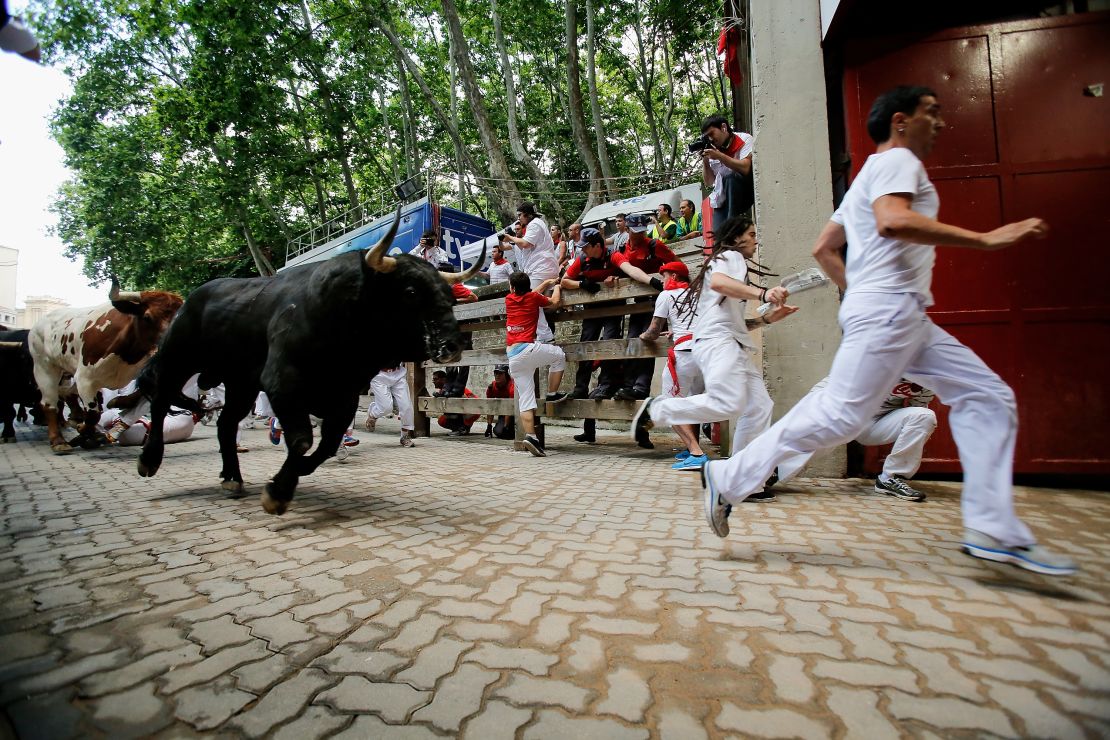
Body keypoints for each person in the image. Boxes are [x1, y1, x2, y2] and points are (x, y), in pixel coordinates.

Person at [697, 85, 1075, 577]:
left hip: (899, 313)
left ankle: (991, 530)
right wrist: (984, 240)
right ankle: (727, 477)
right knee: (839, 417)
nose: (939, 123)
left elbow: (824, 247)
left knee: (987, 397)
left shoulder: (866, 176)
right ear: (901, 120)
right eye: (931, 113)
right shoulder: (899, 162)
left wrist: (856, 291)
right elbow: (893, 221)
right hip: (891, 310)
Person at [631, 216, 796, 479]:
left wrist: (766, 318)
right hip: (718, 343)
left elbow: (729, 315)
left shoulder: (732, 263)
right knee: (727, 403)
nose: (756, 240)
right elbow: (720, 283)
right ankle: (659, 409)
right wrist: (763, 294)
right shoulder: (731, 256)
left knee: (759, 406)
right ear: (735, 238)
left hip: (730, 343)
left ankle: (741, 476)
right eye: (751, 235)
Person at [775, 378, 937, 501]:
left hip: (876, 424)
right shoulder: (876, 356)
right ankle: (770, 471)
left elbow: (916, 408)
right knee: (822, 438)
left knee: (924, 416)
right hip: (845, 413)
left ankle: (891, 479)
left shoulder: (928, 376)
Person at [637, 260, 707, 469]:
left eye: (665, 275)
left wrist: (642, 336)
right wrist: (676, 330)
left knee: (668, 405)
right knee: (692, 405)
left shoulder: (666, 295)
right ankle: (693, 448)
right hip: (705, 354)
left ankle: (696, 452)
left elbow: (654, 331)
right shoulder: (699, 294)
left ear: (674, 277)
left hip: (684, 355)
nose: (663, 280)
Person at [610, 213, 679, 402]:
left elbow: (677, 265)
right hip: (638, 303)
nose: (639, 235)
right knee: (633, 340)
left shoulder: (655, 245)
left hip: (657, 302)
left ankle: (640, 388)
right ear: (628, 229)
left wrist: (665, 277)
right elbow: (623, 270)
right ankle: (628, 385)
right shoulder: (622, 250)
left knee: (648, 341)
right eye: (635, 231)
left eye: (643, 231)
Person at [505, 271, 568, 456]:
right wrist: (557, 285)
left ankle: (531, 436)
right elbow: (555, 302)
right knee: (559, 356)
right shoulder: (533, 298)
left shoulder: (508, 299)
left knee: (526, 398)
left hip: (512, 357)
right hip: (527, 349)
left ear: (512, 288)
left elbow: (531, 293)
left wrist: (547, 281)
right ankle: (552, 394)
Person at [502, 202, 560, 343]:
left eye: (520, 215)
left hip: (540, 268)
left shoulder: (534, 224)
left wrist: (510, 238)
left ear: (528, 214)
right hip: (542, 268)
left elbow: (526, 243)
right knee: (534, 301)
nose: (519, 219)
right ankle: (543, 335)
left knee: (529, 300)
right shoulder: (536, 224)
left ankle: (545, 336)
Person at [701, 114, 754, 226]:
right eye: (707, 136)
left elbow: (745, 168)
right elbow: (709, 182)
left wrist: (720, 156)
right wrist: (705, 161)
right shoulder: (712, 149)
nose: (710, 139)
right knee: (719, 236)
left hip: (744, 192)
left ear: (723, 127)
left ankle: (731, 226)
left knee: (730, 178)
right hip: (722, 197)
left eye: (711, 133)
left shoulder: (744, 139)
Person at [364, 366, 417, 447]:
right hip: (379, 376)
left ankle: (405, 436)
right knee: (386, 408)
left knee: (406, 406)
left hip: (397, 374)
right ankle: (373, 414)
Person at [484, 365, 516, 439]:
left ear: (506, 375)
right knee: (498, 432)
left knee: (507, 432)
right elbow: (490, 406)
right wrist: (489, 425)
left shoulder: (512, 386)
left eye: (500, 373)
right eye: (496, 373)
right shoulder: (492, 387)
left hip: (516, 412)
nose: (497, 376)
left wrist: (505, 426)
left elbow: (510, 406)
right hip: (504, 413)